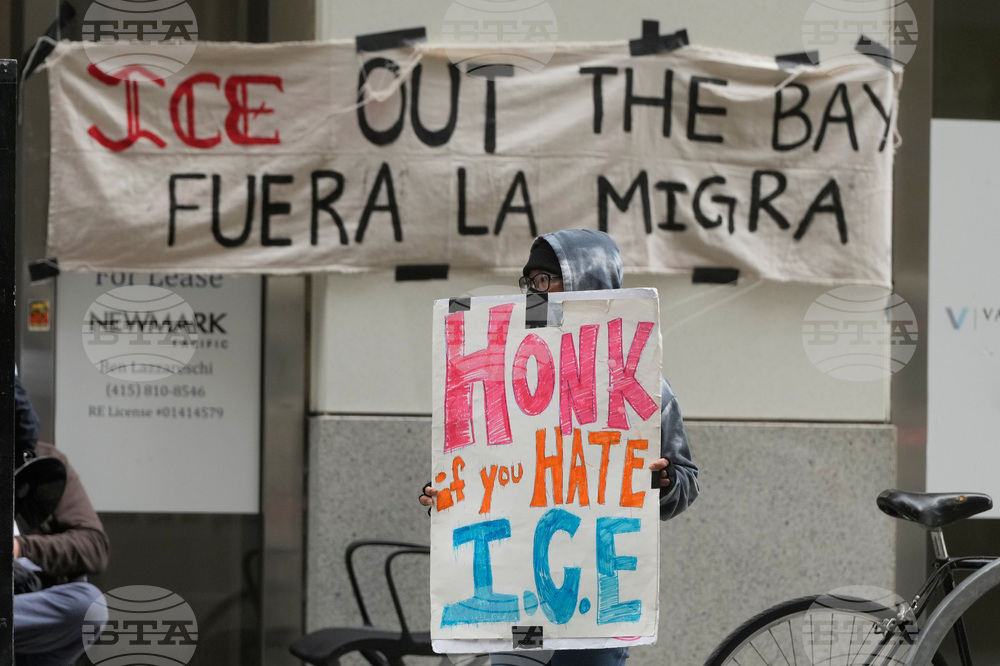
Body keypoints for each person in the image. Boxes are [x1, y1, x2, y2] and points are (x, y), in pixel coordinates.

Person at [420, 229, 699, 666]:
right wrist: (448, 495)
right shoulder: (503, 373)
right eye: (531, 281)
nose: (537, 291)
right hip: (519, 619)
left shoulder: (640, 382)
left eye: (549, 278)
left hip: (594, 616)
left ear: (591, 283)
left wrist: (662, 482)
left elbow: (685, 481)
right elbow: (484, 470)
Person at [12, 375, 110, 666]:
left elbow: (94, 546)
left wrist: (19, 548)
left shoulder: (44, 464)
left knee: (88, 606)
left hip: (27, 614)